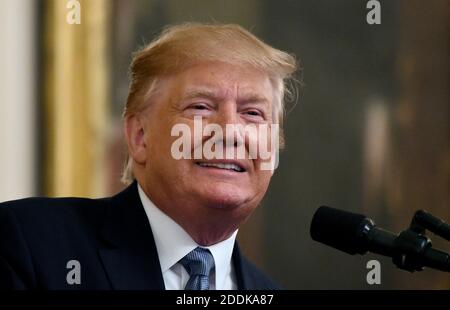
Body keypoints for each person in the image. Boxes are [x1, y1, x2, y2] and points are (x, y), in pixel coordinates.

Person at [0, 23, 297, 290]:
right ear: (140, 137)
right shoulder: (31, 244)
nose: (230, 131)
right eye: (200, 107)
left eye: (253, 113)